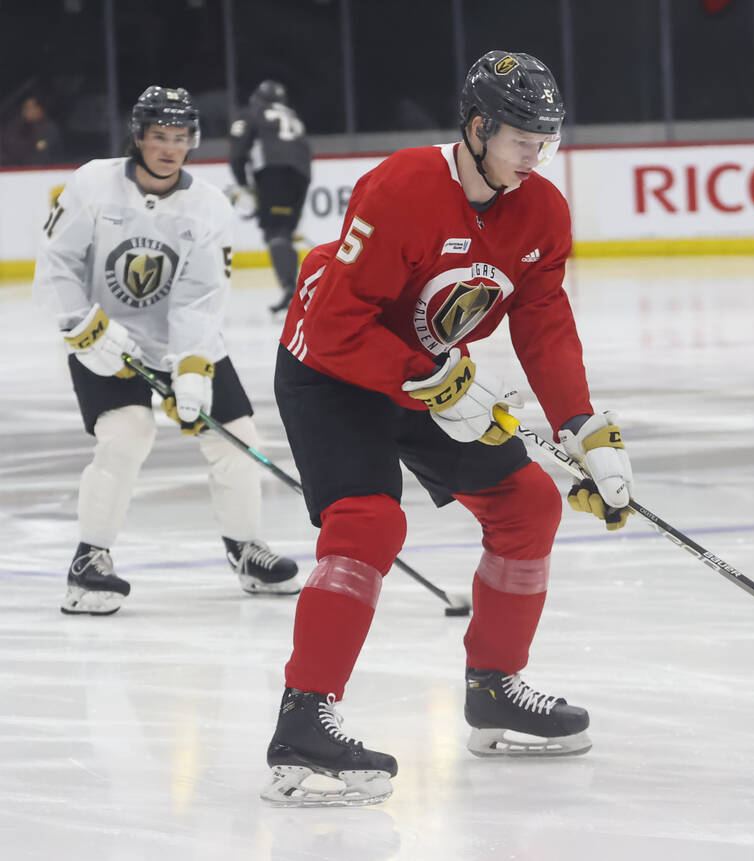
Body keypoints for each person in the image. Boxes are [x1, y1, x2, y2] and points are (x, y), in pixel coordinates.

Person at [260, 51, 634, 807]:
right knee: (367, 522)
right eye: (522, 137)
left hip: (427, 373)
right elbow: (336, 321)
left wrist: (583, 428)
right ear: (477, 127)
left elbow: (544, 324)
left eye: (545, 139)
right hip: (331, 367)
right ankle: (303, 719)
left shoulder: (541, 212)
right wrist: (430, 379)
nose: (536, 154)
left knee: (530, 506)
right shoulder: (402, 185)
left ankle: (494, 686)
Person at [32, 85, 300, 617]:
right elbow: (56, 265)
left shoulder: (207, 206)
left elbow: (199, 297)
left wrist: (193, 370)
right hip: (103, 336)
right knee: (127, 433)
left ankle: (245, 549)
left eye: (180, 138)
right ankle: (90, 560)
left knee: (237, 437)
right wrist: (85, 327)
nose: (170, 148)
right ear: (138, 137)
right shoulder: (93, 184)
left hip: (178, 339)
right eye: (159, 137)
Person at [228, 80, 312, 313]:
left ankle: (290, 290)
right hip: (301, 175)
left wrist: (244, 185)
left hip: (274, 172)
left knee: (276, 233)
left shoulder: (252, 113)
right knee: (285, 233)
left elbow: (237, 153)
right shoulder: (292, 115)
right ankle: (296, 290)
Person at [1, 95, 63, 166]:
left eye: (32, 108)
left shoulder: (50, 129)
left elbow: (50, 153)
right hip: (15, 171)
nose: (28, 111)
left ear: (41, 109)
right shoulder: (13, 128)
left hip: (43, 171)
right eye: (26, 108)